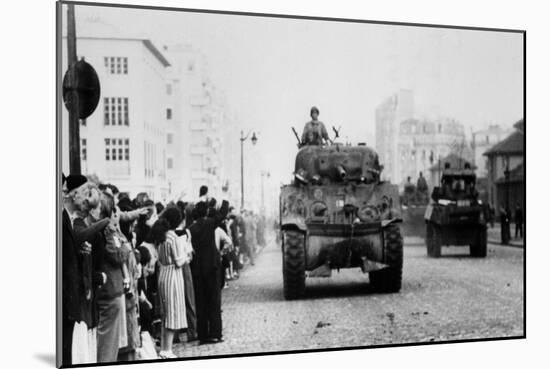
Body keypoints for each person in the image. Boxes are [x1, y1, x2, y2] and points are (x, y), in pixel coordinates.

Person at [62, 174, 91, 366]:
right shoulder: (61, 217)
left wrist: (78, 250)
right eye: (84, 193)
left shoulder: (67, 218)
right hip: (65, 299)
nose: (87, 198)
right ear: (73, 194)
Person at [188, 202, 224, 344]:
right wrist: (222, 202)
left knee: (201, 303)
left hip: (198, 269)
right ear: (206, 212)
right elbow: (222, 213)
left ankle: (203, 335)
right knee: (214, 302)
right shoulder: (210, 223)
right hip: (212, 268)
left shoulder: (191, 228)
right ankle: (216, 333)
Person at [154, 207, 187, 359]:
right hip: (173, 275)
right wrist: (187, 254)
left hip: (163, 273)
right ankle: (167, 349)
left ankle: (164, 348)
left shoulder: (161, 236)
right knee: (172, 313)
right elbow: (179, 261)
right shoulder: (174, 237)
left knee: (165, 313)